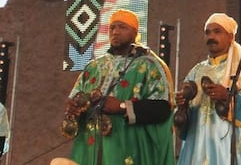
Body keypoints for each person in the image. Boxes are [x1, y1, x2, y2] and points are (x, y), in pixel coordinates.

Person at [63, 9, 174, 165]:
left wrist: (122, 106)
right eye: (112, 28)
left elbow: (162, 109)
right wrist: (74, 110)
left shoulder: (149, 65)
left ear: (135, 33)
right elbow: (76, 99)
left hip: (128, 150)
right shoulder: (93, 67)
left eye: (122, 27)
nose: (115, 32)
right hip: (92, 149)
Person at [175, 13, 241, 164]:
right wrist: (182, 107)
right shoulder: (196, 72)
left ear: (231, 36)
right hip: (198, 150)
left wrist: (228, 97)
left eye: (217, 31)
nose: (211, 36)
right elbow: (183, 128)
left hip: (231, 151)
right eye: (207, 32)